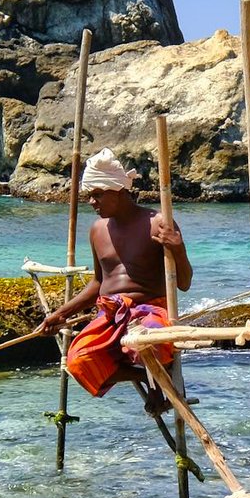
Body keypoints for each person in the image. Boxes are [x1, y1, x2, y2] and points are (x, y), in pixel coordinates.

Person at [38, 147, 191, 414]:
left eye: (97, 195)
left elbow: (184, 283)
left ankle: (158, 381)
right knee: (77, 361)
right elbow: (98, 282)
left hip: (150, 309)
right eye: (89, 196)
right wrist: (60, 314)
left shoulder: (158, 223)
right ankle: (147, 376)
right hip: (110, 313)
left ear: (118, 191)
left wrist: (177, 248)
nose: (92, 202)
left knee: (150, 345)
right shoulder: (97, 230)